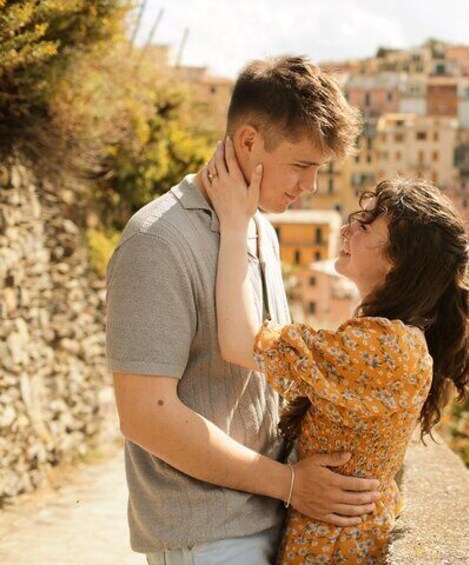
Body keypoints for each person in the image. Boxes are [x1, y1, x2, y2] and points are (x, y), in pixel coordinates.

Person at [106, 56, 381, 564]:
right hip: (205, 537)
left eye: (319, 169)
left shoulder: (262, 231)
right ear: (249, 141)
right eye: (302, 165)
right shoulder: (158, 240)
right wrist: (290, 484)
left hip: (266, 521)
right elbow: (145, 415)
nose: (312, 186)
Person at [203, 140, 469, 563]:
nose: (348, 230)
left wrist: (234, 223)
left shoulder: (383, 349)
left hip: (332, 548)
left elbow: (240, 343)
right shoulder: (392, 339)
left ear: (398, 262)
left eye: (366, 226)